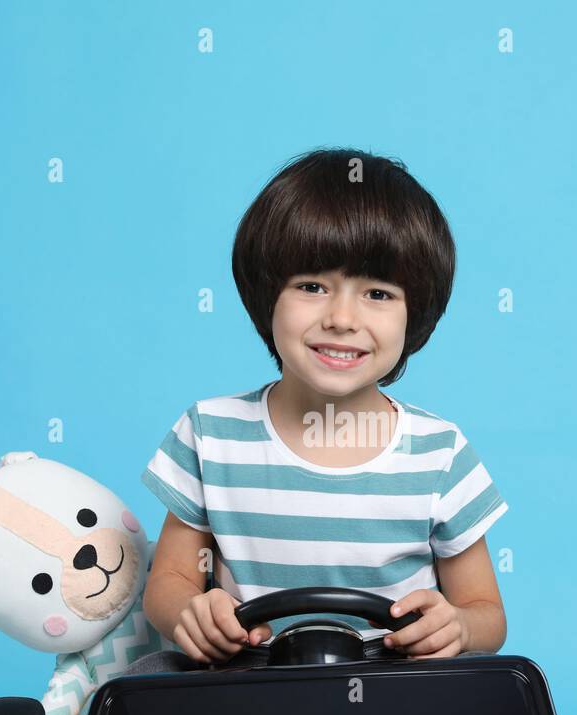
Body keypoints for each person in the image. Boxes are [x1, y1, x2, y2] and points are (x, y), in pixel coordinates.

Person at [141, 148, 507, 664]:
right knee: (144, 688)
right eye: (312, 287)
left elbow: (486, 611)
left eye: (377, 294)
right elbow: (170, 581)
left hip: (394, 701)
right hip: (247, 692)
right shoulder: (210, 433)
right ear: (267, 296)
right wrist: (191, 612)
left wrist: (459, 627)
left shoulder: (439, 453)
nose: (341, 318)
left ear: (415, 313)